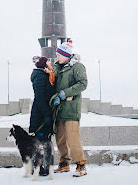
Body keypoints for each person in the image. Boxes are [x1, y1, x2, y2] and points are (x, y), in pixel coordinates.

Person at [52, 39, 88, 177]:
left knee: (73, 139)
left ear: (66, 55)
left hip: (71, 109)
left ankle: (81, 165)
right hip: (58, 110)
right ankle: (64, 163)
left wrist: (64, 93)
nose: (57, 57)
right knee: (60, 139)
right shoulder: (57, 67)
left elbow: (83, 84)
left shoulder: (77, 67)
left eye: (59, 54)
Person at [29, 56, 56, 138]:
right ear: (44, 64)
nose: (50, 62)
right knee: (40, 143)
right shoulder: (39, 76)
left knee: (46, 143)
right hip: (40, 115)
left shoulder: (46, 75)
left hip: (44, 113)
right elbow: (39, 97)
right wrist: (46, 114)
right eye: (48, 61)